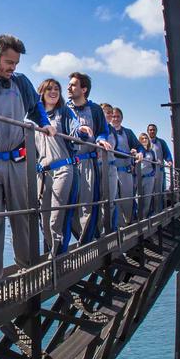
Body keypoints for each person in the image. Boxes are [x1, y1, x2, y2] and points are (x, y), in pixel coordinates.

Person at [0, 35, 54, 283]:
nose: (13, 68)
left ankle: (28, 273)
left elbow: (36, 107)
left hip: (18, 162)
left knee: (24, 219)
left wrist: (45, 124)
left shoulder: (21, 82)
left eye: (16, 63)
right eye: (9, 62)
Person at [35, 77, 93, 254]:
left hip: (63, 169)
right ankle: (53, 254)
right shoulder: (34, 116)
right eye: (49, 89)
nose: (53, 92)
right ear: (42, 92)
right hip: (43, 174)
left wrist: (82, 131)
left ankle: (58, 258)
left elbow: (74, 127)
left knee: (56, 217)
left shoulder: (64, 112)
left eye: (57, 89)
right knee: (44, 218)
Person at [65, 72, 111, 243]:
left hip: (87, 162)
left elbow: (103, 131)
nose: (68, 87)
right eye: (69, 84)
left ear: (83, 89)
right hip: (66, 163)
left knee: (88, 205)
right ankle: (78, 240)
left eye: (73, 85)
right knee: (65, 207)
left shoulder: (95, 110)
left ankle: (86, 244)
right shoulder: (63, 108)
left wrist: (101, 140)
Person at [105, 106, 144, 229]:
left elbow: (139, 146)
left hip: (125, 172)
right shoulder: (106, 131)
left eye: (118, 116)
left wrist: (140, 152)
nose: (115, 118)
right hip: (110, 169)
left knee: (127, 199)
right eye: (113, 116)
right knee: (113, 200)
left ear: (122, 118)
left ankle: (130, 223)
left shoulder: (128, 132)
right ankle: (117, 227)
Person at [145, 123, 173, 209]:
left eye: (154, 130)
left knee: (158, 192)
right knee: (147, 193)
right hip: (147, 171)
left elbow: (167, 153)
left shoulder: (161, 142)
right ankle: (147, 212)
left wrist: (169, 161)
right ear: (147, 131)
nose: (152, 131)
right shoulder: (144, 142)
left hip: (158, 171)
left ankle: (157, 211)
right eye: (150, 130)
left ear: (156, 131)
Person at [138, 132, 159, 217]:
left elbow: (154, 164)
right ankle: (137, 217)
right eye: (142, 139)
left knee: (147, 198)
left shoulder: (152, 152)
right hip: (139, 178)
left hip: (149, 178)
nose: (144, 140)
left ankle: (144, 217)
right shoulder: (138, 150)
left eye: (145, 138)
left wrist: (153, 174)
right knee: (137, 198)